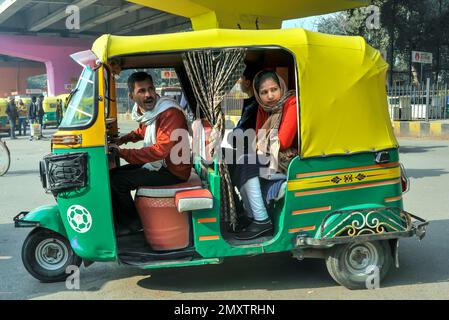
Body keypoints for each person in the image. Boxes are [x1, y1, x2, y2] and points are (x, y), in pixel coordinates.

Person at [109, 72, 192, 236]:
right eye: (141, 91)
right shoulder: (153, 112)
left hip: (174, 171)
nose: (148, 95)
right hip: (162, 164)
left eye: (150, 89)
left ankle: (133, 225)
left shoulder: (169, 112)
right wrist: (121, 140)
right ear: (131, 95)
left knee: (118, 182)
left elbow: (160, 151)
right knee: (112, 175)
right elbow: (142, 131)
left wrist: (122, 153)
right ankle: (122, 219)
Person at [231, 70, 298, 240]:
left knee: (247, 162)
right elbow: (258, 140)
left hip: (290, 160)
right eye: (264, 92)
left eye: (274, 89)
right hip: (274, 157)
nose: (270, 96)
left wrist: (263, 146)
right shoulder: (263, 108)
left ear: (281, 87)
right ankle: (250, 215)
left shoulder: (291, 103)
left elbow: (283, 141)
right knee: (237, 160)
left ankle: (262, 220)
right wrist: (262, 146)